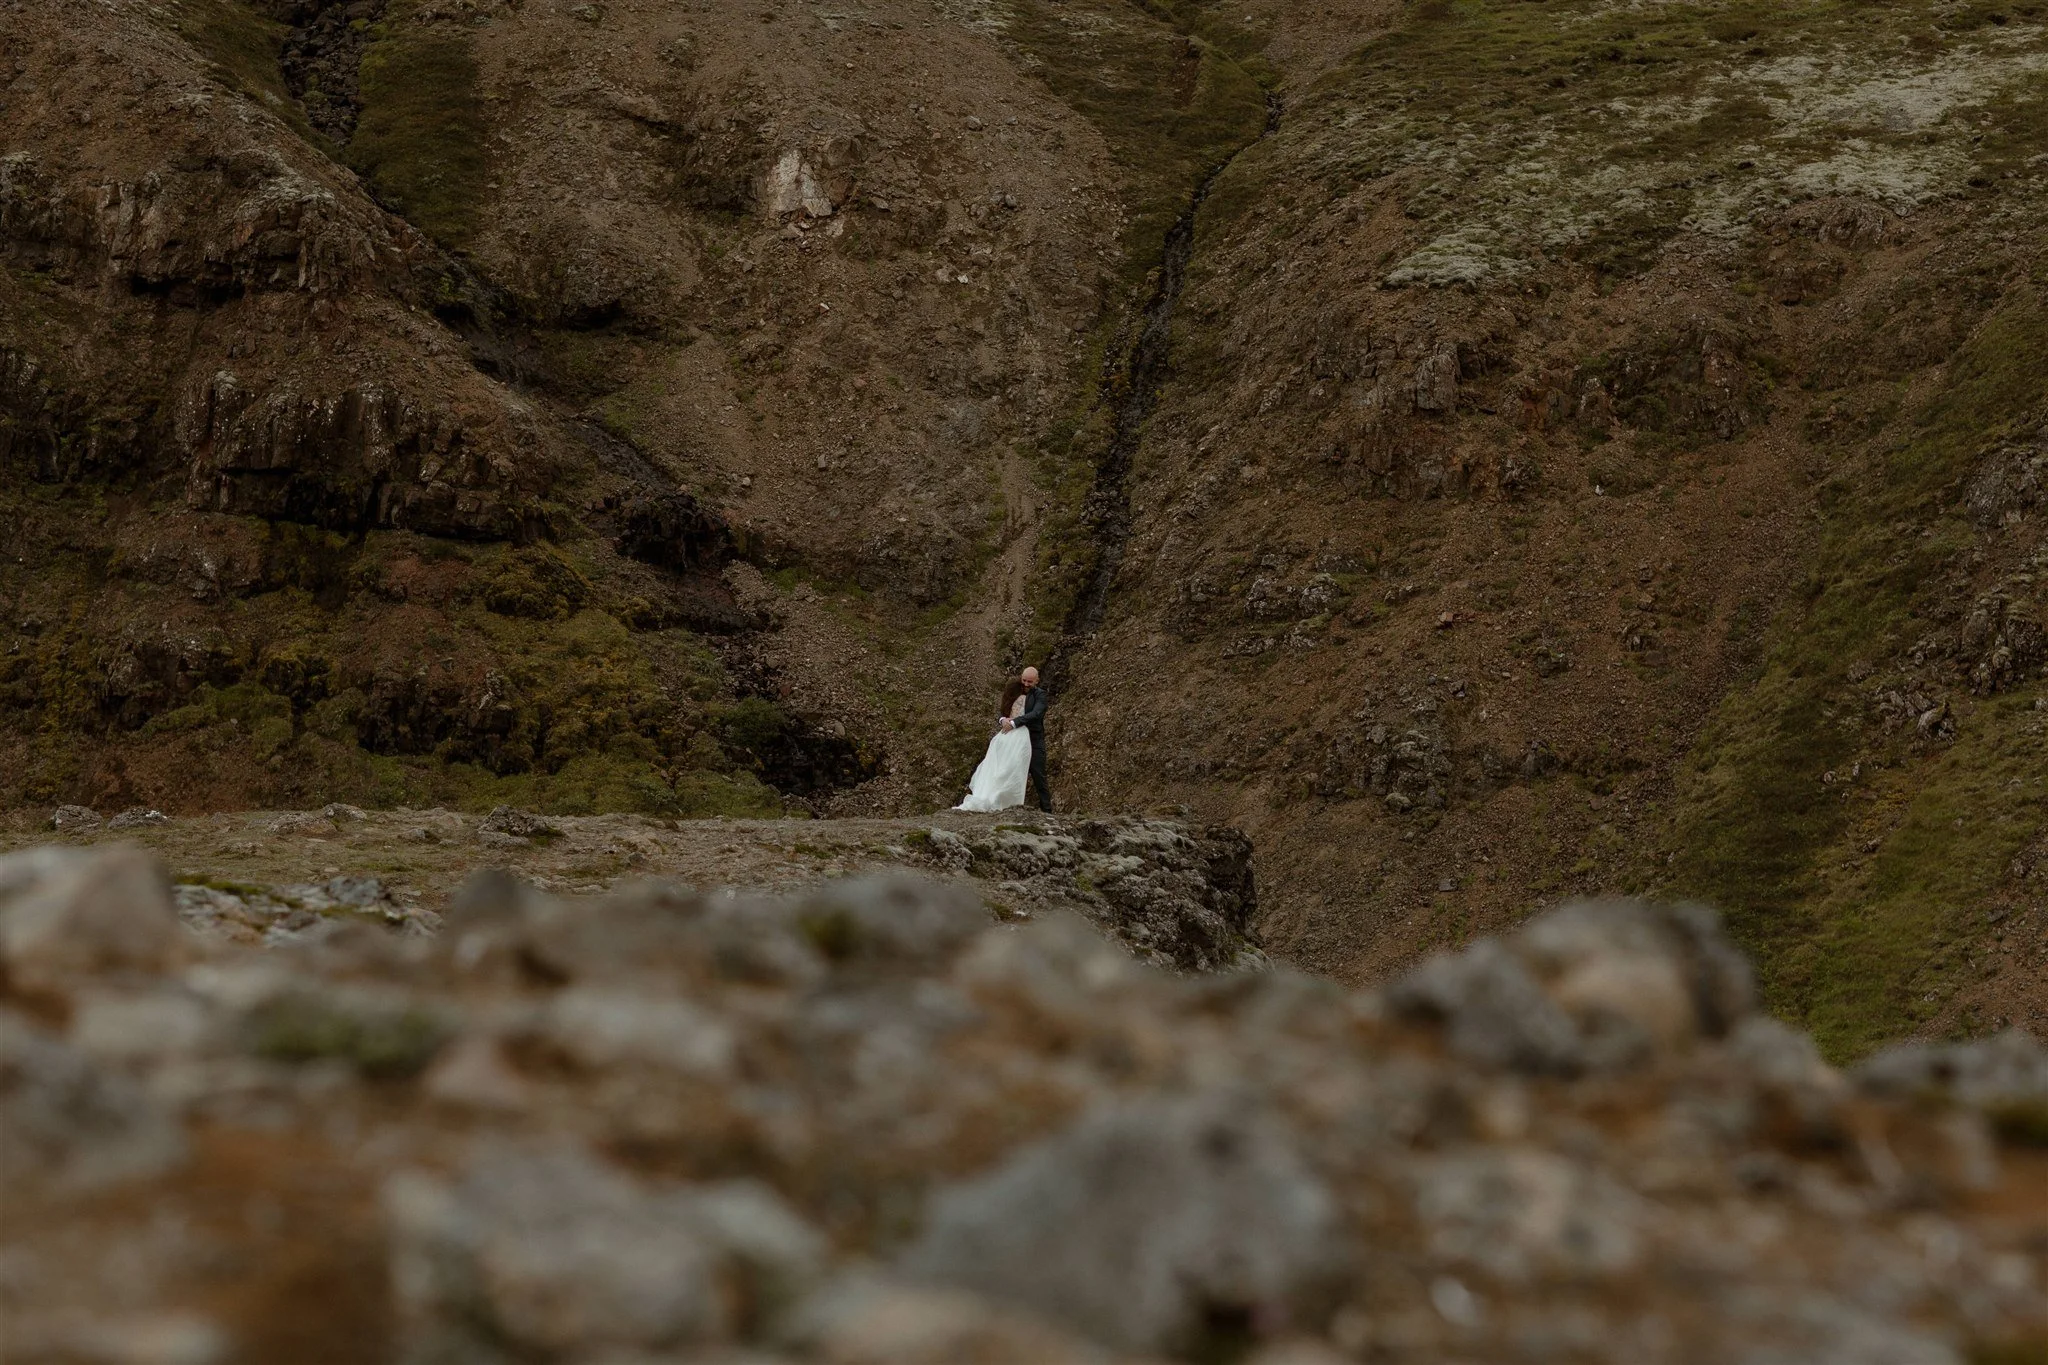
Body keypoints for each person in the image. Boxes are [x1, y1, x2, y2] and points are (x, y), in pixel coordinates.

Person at [954, 674, 1033, 812]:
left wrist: (1003, 720)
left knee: (996, 765)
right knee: (1015, 767)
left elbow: (1004, 714)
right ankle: (1009, 800)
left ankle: (991, 794)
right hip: (1019, 734)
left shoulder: (1008, 701)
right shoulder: (1024, 699)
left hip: (1003, 736)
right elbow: (1030, 715)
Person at [1002, 666, 1052, 813]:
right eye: (1024, 680)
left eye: (1030, 681)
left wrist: (1015, 722)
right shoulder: (1014, 689)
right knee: (1009, 772)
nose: (1026, 684)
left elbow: (1036, 713)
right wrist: (1003, 720)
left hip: (1033, 740)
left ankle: (1047, 811)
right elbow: (1004, 708)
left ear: (1037, 680)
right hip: (1014, 740)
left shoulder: (1040, 695)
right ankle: (1008, 807)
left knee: (1038, 775)